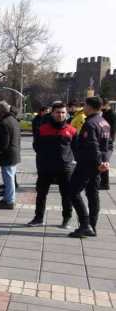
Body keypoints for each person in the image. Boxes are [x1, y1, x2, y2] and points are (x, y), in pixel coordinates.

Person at [68, 97, 111, 237]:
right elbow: (108, 145)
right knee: (93, 194)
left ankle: (85, 224)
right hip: (98, 166)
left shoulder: (91, 123)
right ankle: (92, 225)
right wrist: (105, 162)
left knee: (72, 191)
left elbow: (92, 146)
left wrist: (100, 162)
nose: (83, 108)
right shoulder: (104, 123)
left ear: (91, 107)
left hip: (87, 164)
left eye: (84, 105)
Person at [28, 102, 76, 228]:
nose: (60, 115)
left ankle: (67, 218)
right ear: (52, 113)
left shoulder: (71, 130)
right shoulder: (43, 129)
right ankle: (38, 218)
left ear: (66, 114)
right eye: (57, 112)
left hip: (65, 168)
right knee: (41, 194)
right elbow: (36, 146)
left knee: (66, 195)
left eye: (63, 112)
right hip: (45, 168)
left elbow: (76, 148)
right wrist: (45, 157)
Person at [0, 101, 21, 209]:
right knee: (10, 178)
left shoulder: (4, 122)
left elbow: (3, 142)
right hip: (14, 153)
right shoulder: (13, 120)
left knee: (8, 178)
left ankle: (9, 201)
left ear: (0, 111)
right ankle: (8, 198)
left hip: (8, 155)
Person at [99, 99, 115, 190]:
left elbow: (111, 130)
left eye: (102, 105)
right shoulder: (105, 113)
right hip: (105, 139)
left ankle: (105, 183)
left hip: (107, 140)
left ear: (106, 105)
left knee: (105, 161)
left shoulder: (111, 114)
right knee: (103, 161)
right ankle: (103, 182)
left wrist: (110, 140)